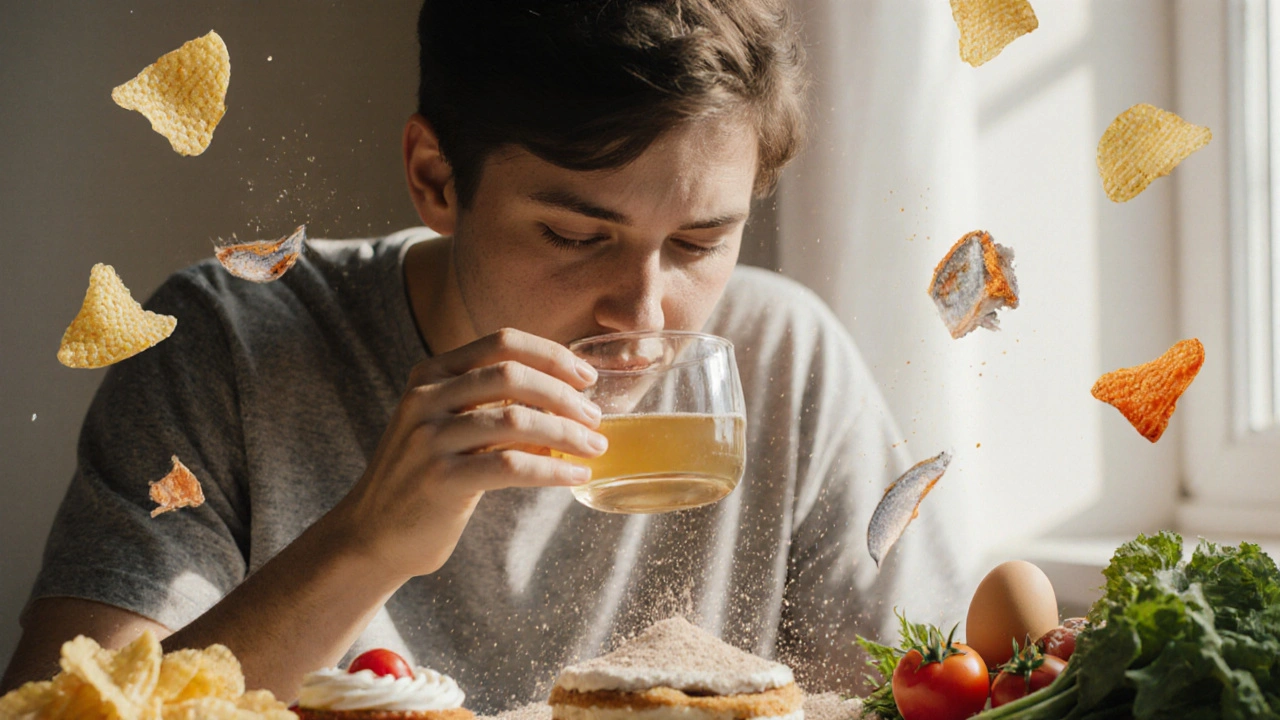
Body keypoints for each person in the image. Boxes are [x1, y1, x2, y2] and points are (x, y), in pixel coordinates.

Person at [2, 0, 960, 711]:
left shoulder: (786, 358)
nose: (642, 314)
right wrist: (365, 543)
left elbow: (928, 696)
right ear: (436, 178)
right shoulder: (229, 346)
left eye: (700, 243)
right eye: (576, 236)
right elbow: (58, 713)